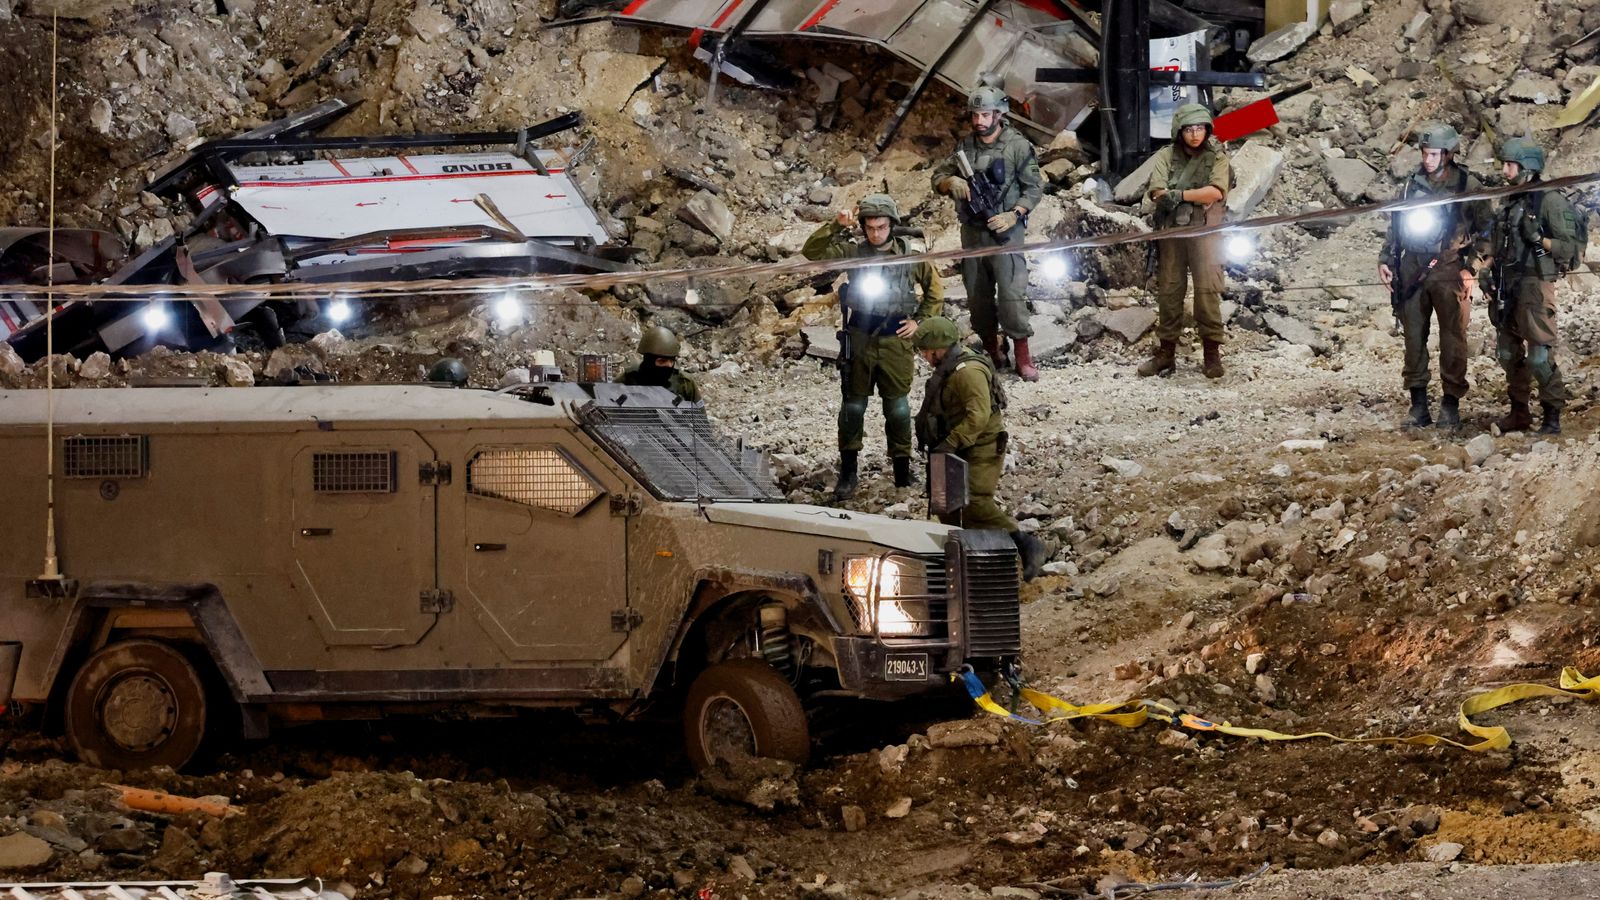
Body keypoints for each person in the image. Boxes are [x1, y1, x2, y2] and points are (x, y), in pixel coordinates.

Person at [803, 193, 944, 499]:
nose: (876, 233)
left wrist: (920, 322)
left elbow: (935, 291)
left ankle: (903, 473)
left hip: (896, 340)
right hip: (861, 337)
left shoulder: (909, 255)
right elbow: (811, 252)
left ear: (891, 225)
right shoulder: (854, 251)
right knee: (853, 406)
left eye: (881, 227)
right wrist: (835, 226)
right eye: (870, 227)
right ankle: (849, 472)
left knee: (897, 407)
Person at [912, 316, 1046, 581]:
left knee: (974, 501)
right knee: (945, 503)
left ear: (939, 348)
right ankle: (967, 560)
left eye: (926, 351)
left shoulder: (968, 373)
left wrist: (951, 442)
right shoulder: (949, 368)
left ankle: (1025, 544)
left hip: (981, 444)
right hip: (955, 443)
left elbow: (978, 416)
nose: (925, 356)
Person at [1379, 122, 1493, 429]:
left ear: (1449, 154)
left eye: (1434, 154)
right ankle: (1418, 405)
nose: (1428, 160)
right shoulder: (1409, 185)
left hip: (1450, 265)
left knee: (1453, 337)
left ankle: (1450, 403)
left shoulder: (1467, 186)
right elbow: (1396, 227)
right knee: (1413, 337)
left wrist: (1473, 267)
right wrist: (1387, 259)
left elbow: (1487, 230)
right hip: (1412, 267)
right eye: (1425, 153)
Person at [930, 85, 1045, 381]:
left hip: (1006, 232)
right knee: (977, 296)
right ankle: (993, 350)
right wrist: (950, 183)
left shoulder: (1017, 146)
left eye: (985, 114)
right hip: (973, 232)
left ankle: (1022, 355)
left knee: (1011, 295)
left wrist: (1015, 213)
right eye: (975, 115)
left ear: (999, 113)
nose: (979, 120)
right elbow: (938, 176)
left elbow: (1034, 188)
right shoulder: (964, 147)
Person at [1486, 137, 1579, 435]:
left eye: (1510, 165)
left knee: (1539, 356)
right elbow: (1496, 244)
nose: (1504, 170)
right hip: (1506, 285)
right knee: (1507, 353)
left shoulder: (1549, 200)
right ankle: (1519, 412)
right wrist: (1487, 270)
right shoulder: (1509, 201)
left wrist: (1540, 239)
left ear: (1527, 167)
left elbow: (1571, 250)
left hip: (1535, 287)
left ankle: (1552, 415)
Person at [1137, 102, 1232, 380]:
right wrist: (1178, 195)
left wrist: (1178, 195)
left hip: (1205, 231)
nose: (1194, 134)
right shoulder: (1167, 155)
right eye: (1189, 129)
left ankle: (1211, 353)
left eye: (1200, 128)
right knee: (1169, 291)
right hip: (1172, 232)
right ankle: (1165, 354)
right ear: (1179, 131)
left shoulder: (1217, 157)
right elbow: (1156, 191)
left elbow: (1214, 192)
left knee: (1207, 292)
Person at [620, 324, 701, 402]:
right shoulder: (628, 378)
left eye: (672, 361)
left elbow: (699, 414)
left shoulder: (685, 384)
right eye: (662, 361)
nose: (669, 365)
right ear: (649, 361)